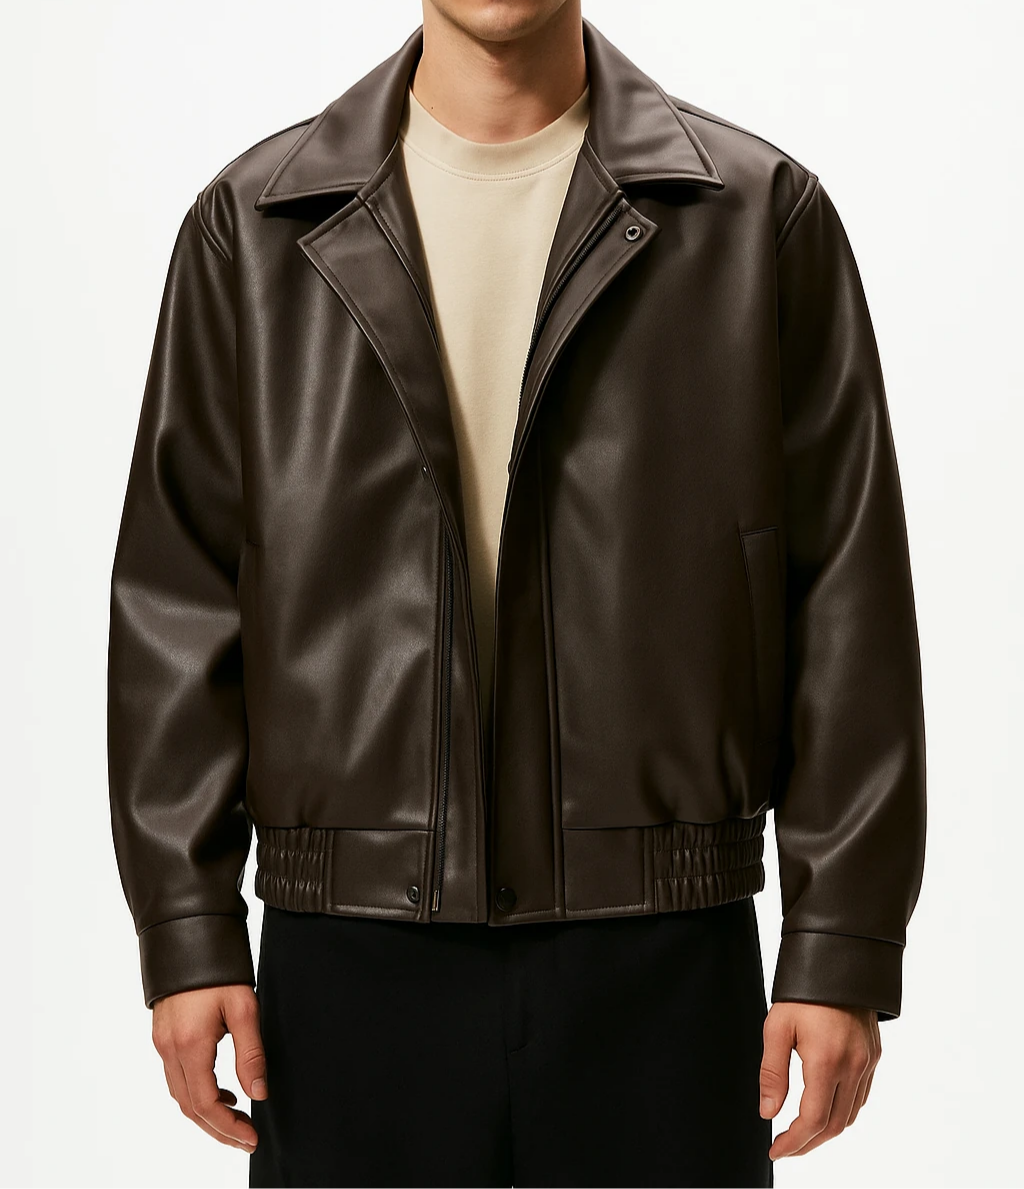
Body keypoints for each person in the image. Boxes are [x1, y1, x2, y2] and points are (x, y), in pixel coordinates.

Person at [106, 3, 927, 1185]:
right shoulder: (255, 228)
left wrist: (839, 939)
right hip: (348, 960)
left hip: (663, 954)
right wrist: (187, 928)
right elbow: (176, 597)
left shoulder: (756, 220)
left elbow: (846, 594)